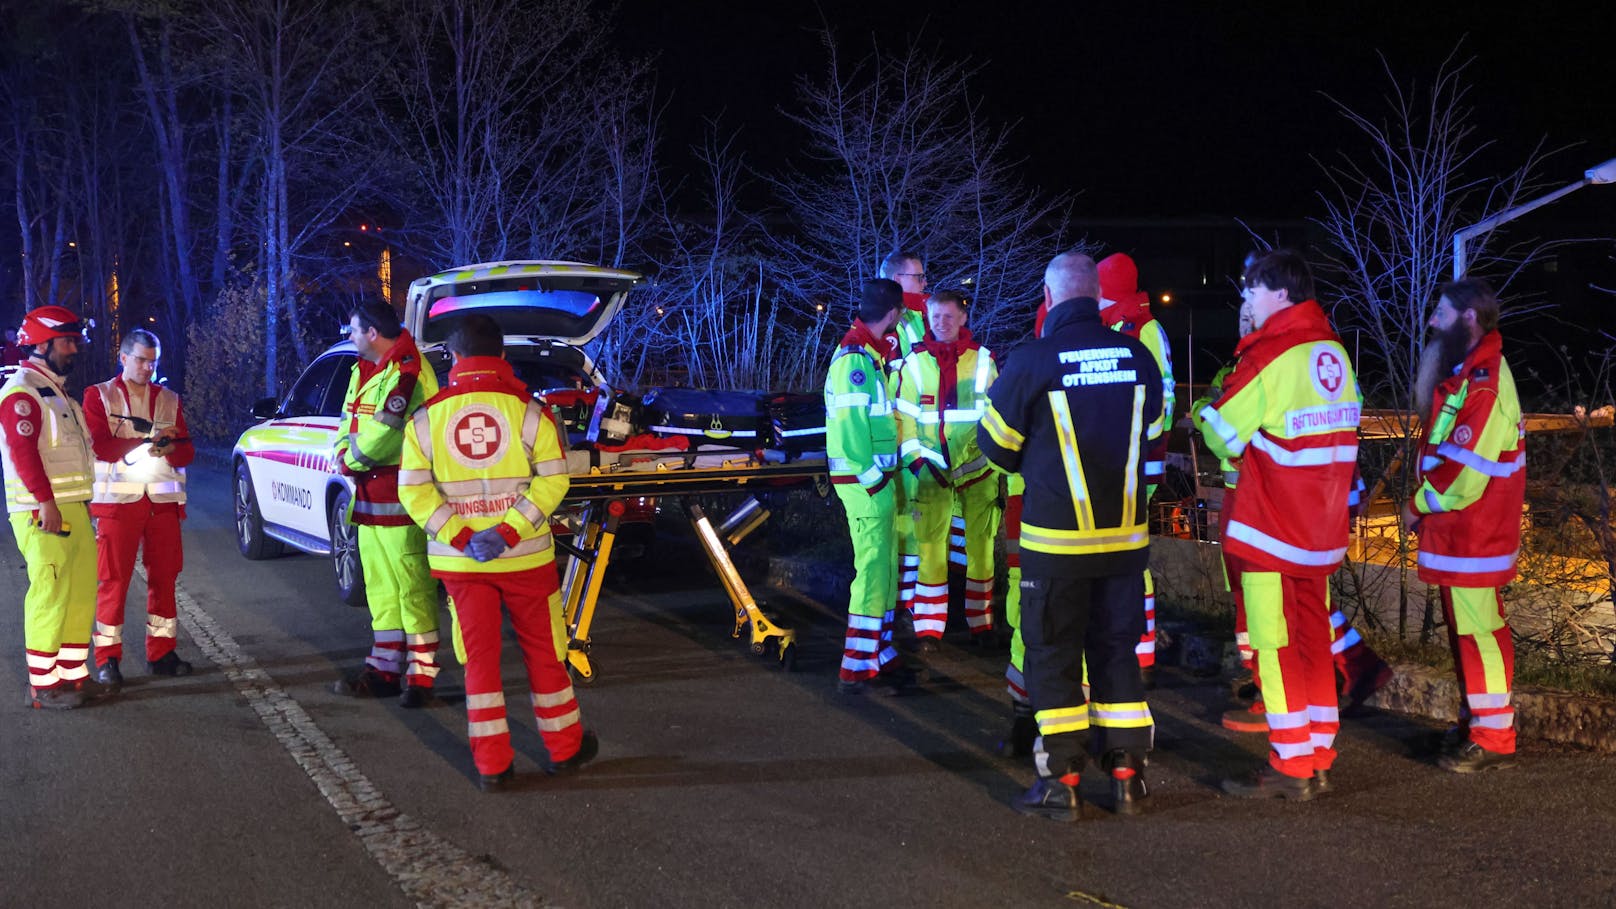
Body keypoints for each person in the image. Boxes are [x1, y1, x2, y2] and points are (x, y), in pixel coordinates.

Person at [979, 252, 1163, 819]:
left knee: (1054, 657)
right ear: (1098, 296)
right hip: (1125, 544)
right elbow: (1152, 430)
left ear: (1050, 294)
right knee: (1116, 653)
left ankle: (1063, 782)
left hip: (1056, 546)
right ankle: (1128, 777)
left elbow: (995, 446)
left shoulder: (1033, 359)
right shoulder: (1138, 355)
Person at [398, 313, 596, 790]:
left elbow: (414, 492)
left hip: (462, 566)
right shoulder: (531, 412)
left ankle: (493, 766)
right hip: (527, 558)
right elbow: (554, 478)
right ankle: (565, 749)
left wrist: (467, 539)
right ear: (503, 356)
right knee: (547, 654)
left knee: (480, 661)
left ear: (454, 358)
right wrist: (507, 533)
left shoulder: (425, 419)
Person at [1196, 250, 1361, 800]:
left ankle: (1291, 764)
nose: (1245, 300)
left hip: (1271, 528)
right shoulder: (1332, 352)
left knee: (1274, 643)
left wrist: (1201, 413)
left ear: (1280, 295)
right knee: (1315, 640)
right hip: (1321, 531)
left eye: (1251, 291)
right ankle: (1319, 751)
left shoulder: (1273, 354)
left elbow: (1221, 432)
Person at [1405, 278, 1524, 773]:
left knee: (1480, 632)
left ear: (1468, 319)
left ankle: (1493, 736)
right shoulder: (1472, 372)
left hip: (1474, 530)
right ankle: (1477, 722)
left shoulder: (1485, 381)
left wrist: (1418, 505)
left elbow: (1463, 473)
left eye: (1441, 311)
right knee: (1470, 631)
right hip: (1464, 531)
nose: (1432, 320)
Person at [331, 300, 442, 707]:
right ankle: (385, 668)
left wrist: (351, 458)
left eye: (354, 329)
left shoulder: (407, 369)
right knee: (381, 586)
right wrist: (345, 449)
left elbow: (387, 428)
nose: (350, 336)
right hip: (370, 497)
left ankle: (422, 676)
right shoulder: (364, 368)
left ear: (373, 333)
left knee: (412, 586)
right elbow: (349, 418)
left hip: (401, 494)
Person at [83, 329, 195, 687]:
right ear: (124, 357)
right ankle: (107, 660)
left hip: (161, 504)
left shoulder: (169, 399)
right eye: (142, 359)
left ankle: (161, 653)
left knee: (164, 579)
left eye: (154, 361)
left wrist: (171, 449)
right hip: (118, 505)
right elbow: (100, 445)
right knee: (113, 582)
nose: (148, 367)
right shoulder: (99, 395)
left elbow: (188, 450)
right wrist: (150, 442)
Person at [0, 306, 99, 709]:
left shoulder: (55, 393)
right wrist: (45, 502)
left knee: (78, 591)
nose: (74, 348)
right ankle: (43, 684)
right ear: (41, 345)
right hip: (43, 511)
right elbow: (24, 456)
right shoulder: (22, 393)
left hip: (71, 507)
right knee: (50, 591)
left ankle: (74, 675)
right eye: (67, 341)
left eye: (74, 340)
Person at [894, 289, 1000, 648]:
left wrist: (988, 464)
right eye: (935, 317)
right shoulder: (914, 362)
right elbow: (903, 420)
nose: (941, 323)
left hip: (979, 471)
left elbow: (996, 417)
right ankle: (928, 627)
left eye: (948, 317)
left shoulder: (984, 360)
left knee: (981, 548)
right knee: (930, 549)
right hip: (930, 472)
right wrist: (918, 461)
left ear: (963, 319)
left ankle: (981, 625)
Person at [824, 278, 914, 695]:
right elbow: (850, 435)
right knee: (873, 571)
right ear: (893, 315)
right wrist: (876, 482)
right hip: (867, 485)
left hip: (874, 482)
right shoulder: (856, 361)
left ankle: (878, 650)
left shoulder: (869, 357)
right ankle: (856, 664)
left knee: (884, 569)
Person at [1096, 253, 1174, 685]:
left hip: (1133, 464)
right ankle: (1129, 650)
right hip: (1123, 462)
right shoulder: (1121, 323)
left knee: (1128, 559)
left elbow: (1158, 401)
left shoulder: (1140, 328)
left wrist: (1135, 451)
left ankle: (1139, 657)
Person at [878, 250, 931, 625]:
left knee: (914, 523)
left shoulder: (919, 317)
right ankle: (896, 603)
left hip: (915, 437)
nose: (925, 283)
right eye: (919, 277)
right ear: (898, 281)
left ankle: (909, 602)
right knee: (899, 523)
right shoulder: (890, 323)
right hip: (894, 439)